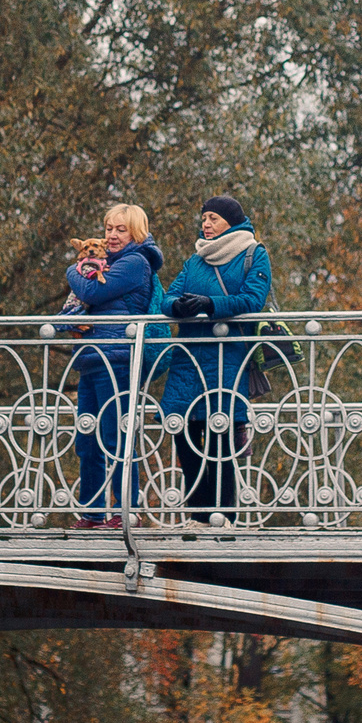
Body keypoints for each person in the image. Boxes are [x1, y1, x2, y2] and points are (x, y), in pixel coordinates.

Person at [153, 196, 272, 520]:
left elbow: (253, 300)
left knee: (221, 438)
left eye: (213, 218)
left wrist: (210, 303)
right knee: (183, 433)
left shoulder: (253, 254)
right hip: (188, 360)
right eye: (204, 218)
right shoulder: (195, 259)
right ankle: (197, 517)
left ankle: (223, 518)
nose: (205, 224)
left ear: (230, 222)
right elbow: (168, 297)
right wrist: (177, 307)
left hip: (227, 359)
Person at [60, 204, 163, 528]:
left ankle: (125, 512)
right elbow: (68, 314)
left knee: (115, 436)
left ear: (137, 232)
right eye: (109, 229)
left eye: (121, 229)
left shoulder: (135, 263)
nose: (113, 235)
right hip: (91, 358)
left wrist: (72, 270)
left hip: (117, 359)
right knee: (87, 441)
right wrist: (72, 320)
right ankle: (91, 514)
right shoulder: (106, 263)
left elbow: (90, 290)